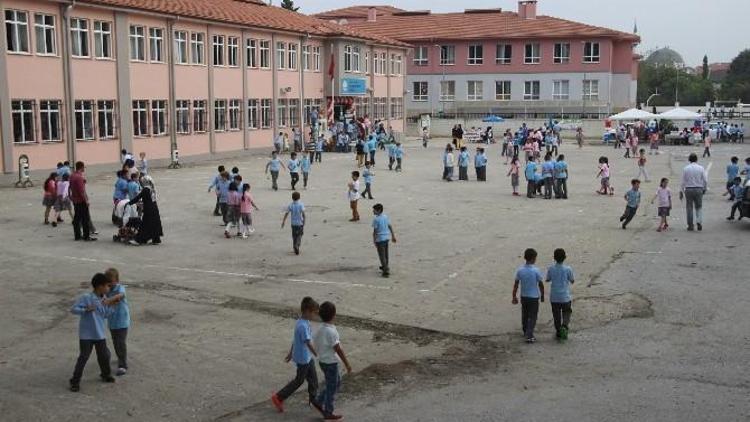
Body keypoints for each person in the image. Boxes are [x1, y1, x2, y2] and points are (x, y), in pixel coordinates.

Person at [271, 297, 322, 414]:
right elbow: (308, 343)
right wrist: (317, 354)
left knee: (313, 379)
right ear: (308, 311)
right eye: (314, 313)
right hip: (304, 359)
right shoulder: (302, 326)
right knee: (299, 381)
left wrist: (290, 353)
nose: (315, 316)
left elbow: (295, 340)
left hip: (306, 357)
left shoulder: (302, 321)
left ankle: (314, 400)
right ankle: (278, 397)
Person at [69, 273, 116, 392]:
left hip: (99, 334)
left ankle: (105, 374)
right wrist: (85, 310)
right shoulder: (86, 297)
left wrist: (111, 306)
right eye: (107, 286)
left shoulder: (104, 299)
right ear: (100, 287)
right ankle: (75, 381)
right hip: (86, 335)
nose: (108, 288)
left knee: (104, 356)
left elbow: (105, 315)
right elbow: (73, 309)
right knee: (83, 357)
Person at [314, 302, 352, 421]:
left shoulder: (321, 329)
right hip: (331, 363)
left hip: (323, 361)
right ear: (334, 315)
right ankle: (328, 412)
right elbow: (338, 349)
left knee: (335, 382)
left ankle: (319, 401)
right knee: (332, 387)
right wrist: (347, 363)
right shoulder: (331, 332)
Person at [512, 248, 544, 343]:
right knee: (533, 316)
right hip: (534, 297)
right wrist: (542, 295)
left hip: (524, 296)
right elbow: (540, 284)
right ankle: (529, 335)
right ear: (533, 258)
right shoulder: (536, 270)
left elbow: (516, 284)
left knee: (525, 315)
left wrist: (514, 296)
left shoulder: (520, 270)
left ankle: (525, 330)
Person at [104, 268, 130, 376]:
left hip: (122, 321)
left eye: (111, 281)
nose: (109, 283)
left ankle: (123, 365)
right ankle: (120, 356)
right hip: (112, 322)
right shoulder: (106, 291)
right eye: (107, 281)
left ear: (117, 280)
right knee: (115, 341)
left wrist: (109, 300)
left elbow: (121, 295)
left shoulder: (120, 288)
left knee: (120, 342)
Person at [545, 248, 574, 341]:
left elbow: (548, 279)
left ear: (554, 258)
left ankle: (558, 331)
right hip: (565, 296)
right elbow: (572, 280)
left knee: (556, 315)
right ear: (565, 257)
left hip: (554, 297)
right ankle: (564, 326)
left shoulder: (551, 268)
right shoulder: (568, 269)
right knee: (567, 312)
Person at [128, 176, 163, 245]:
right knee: (154, 223)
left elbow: (138, 197)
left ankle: (139, 240)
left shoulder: (146, 189)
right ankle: (156, 239)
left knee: (145, 224)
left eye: (142, 181)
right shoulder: (152, 188)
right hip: (154, 208)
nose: (141, 183)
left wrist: (129, 203)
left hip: (148, 209)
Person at [680, 153, 707, 231]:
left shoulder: (686, 168)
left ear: (689, 160)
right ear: (696, 159)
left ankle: (690, 225)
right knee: (699, 207)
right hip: (699, 189)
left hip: (688, 189)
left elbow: (683, 181)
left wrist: (681, 191)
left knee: (689, 208)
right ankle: (699, 222)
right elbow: (705, 180)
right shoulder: (701, 168)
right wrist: (704, 188)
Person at [70, 162, 96, 241]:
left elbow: (70, 188)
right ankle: (86, 236)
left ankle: (77, 235)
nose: (84, 169)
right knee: (85, 218)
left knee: (77, 218)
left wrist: (71, 197)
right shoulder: (79, 177)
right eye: (84, 167)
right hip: (81, 200)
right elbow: (81, 191)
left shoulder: (72, 176)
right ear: (81, 167)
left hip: (75, 200)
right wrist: (86, 200)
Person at [372, 203, 396, 278]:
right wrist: (393, 236)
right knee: (386, 254)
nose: (373, 211)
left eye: (374, 210)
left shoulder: (376, 219)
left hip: (380, 239)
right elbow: (390, 226)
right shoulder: (385, 217)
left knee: (382, 255)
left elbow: (375, 231)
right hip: (386, 237)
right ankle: (385, 266)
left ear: (378, 210)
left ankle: (385, 271)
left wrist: (374, 240)